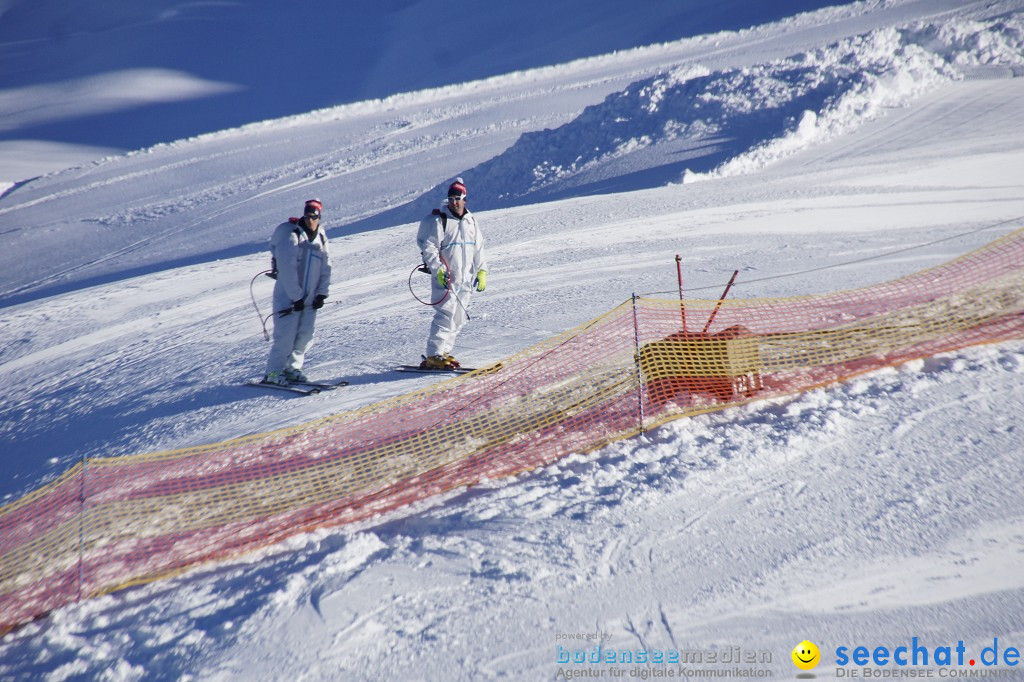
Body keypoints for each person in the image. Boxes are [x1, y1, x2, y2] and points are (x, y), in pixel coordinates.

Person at [416, 177, 488, 369]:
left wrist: (481, 271)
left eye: (458, 198)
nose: (454, 201)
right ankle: (434, 354)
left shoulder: (471, 221)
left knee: (459, 317)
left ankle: (444, 351)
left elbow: (478, 248)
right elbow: (429, 247)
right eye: (451, 198)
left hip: (465, 279)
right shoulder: (441, 221)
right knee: (446, 315)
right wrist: (438, 270)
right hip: (446, 278)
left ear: (465, 199)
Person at [263, 198, 332, 385]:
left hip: (310, 297)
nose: (310, 220)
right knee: (285, 336)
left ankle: (293, 368)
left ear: (319, 217)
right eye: (308, 216)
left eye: (314, 216)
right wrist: (296, 296)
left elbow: (326, 266)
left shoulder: (321, 237)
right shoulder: (292, 235)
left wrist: (322, 293)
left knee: (305, 336)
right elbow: (287, 268)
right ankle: (274, 373)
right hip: (288, 296)